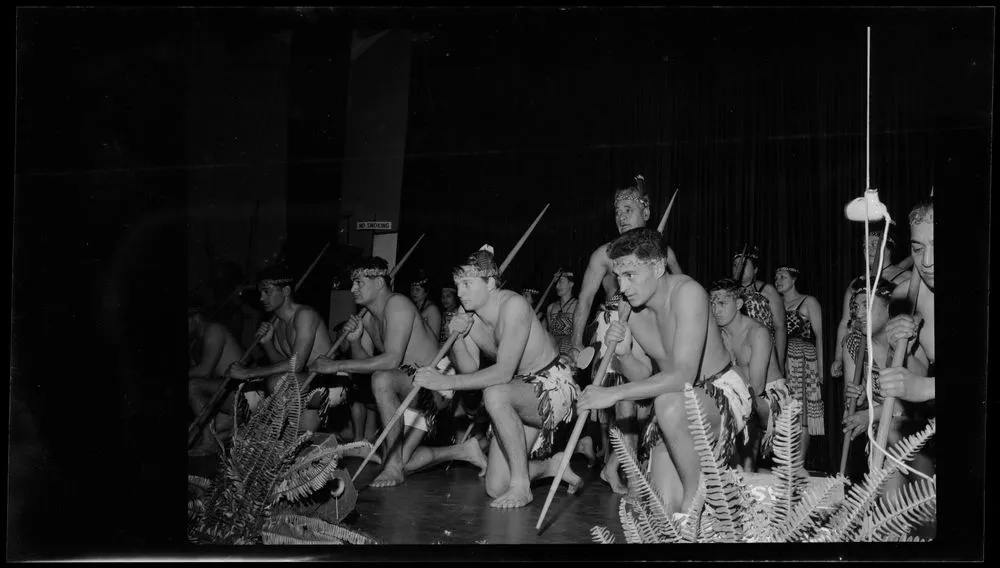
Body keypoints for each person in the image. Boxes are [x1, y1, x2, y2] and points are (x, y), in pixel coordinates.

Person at [577, 228, 752, 515]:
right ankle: (698, 508)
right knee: (664, 510)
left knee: (668, 403)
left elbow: (682, 375)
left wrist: (612, 393)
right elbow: (645, 377)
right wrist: (623, 357)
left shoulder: (688, 293)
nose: (622, 286)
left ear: (658, 267)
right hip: (677, 404)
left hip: (719, 392)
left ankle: (700, 505)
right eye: (618, 277)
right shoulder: (630, 310)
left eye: (631, 275)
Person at [414, 246, 583, 509]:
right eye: (458, 284)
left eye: (467, 284)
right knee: (495, 486)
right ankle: (552, 465)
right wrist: (457, 337)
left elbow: (502, 372)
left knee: (494, 392)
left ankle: (522, 486)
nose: (460, 292)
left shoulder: (513, 306)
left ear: (490, 283)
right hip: (517, 391)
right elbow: (470, 372)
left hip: (551, 386)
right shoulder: (465, 314)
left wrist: (445, 381)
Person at [308, 257, 470, 488]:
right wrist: (354, 342)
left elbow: (391, 360)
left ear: (379, 283)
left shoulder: (397, 304)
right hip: (409, 384)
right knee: (404, 460)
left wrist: (337, 365)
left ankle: (392, 466)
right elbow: (367, 363)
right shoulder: (367, 316)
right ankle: (463, 451)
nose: (353, 289)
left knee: (382, 379)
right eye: (352, 283)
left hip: (438, 382)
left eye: (359, 282)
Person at [569, 179, 682, 494]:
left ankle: (615, 464)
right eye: (617, 211)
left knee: (649, 405)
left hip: (655, 333)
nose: (621, 216)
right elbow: (584, 299)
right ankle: (635, 480)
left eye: (629, 209)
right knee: (626, 399)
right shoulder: (603, 255)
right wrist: (576, 342)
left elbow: (681, 294)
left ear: (645, 210)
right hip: (618, 330)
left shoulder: (664, 253)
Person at [227, 266, 340, 433]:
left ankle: (272, 431)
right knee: (298, 444)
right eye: (260, 292)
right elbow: (282, 364)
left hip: (332, 383)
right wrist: (267, 343)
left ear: (286, 290)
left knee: (276, 382)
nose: (261, 298)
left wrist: (248, 372)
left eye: (267, 291)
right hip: (305, 382)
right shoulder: (278, 323)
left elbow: (295, 365)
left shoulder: (304, 315)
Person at [709, 278, 788, 471]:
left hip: (770, 398)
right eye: (712, 303)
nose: (715, 310)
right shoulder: (717, 332)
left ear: (738, 304)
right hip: (738, 392)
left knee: (735, 403)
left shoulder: (758, 332)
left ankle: (745, 471)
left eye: (722, 303)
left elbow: (757, 386)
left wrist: (730, 361)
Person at [830, 229, 911, 379]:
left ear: (888, 247)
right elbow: (845, 322)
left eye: (874, 244)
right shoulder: (855, 284)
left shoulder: (906, 279)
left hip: (891, 350)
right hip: (859, 350)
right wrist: (839, 357)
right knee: (857, 397)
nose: (869, 249)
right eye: (865, 246)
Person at [774, 265, 826, 461]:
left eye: (783, 276)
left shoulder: (808, 301)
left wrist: (820, 368)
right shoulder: (776, 303)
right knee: (784, 410)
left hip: (803, 359)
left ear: (794, 279)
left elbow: (820, 336)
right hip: (782, 358)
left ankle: (799, 463)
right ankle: (785, 462)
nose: (778, 280)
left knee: (802, 412)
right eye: (776, 277)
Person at [188, 307, 245, 455]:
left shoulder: (214, 330)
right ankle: (233, 433)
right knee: (196, 435)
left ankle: (210, 443)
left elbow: (204, 371)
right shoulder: (195, 342)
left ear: (195, 317)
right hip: (224, 397)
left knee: (192, 386)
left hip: (242, 393)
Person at [732, 246, 787, 376]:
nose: (738, 267)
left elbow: (780, 327)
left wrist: (780, 362)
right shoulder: (729, 293)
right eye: (735, 265)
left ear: (755, 269)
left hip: (764, 352)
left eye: (744, 264)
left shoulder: (767, 290)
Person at [543, 270, 579, 360]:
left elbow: (579, 334)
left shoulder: (578, 306)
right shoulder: (550, 308)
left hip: (570, 353)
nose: (557, 286)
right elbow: (550, 334)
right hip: (553, 352)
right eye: (557, 283)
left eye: (561, 281)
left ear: (571, 284)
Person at [410, 270, 443, 341]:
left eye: (418, 290)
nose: (414, 292)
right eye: (412, 289)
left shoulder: (432, 309)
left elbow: (435, 338)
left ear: (426, 292)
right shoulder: (413, 307)